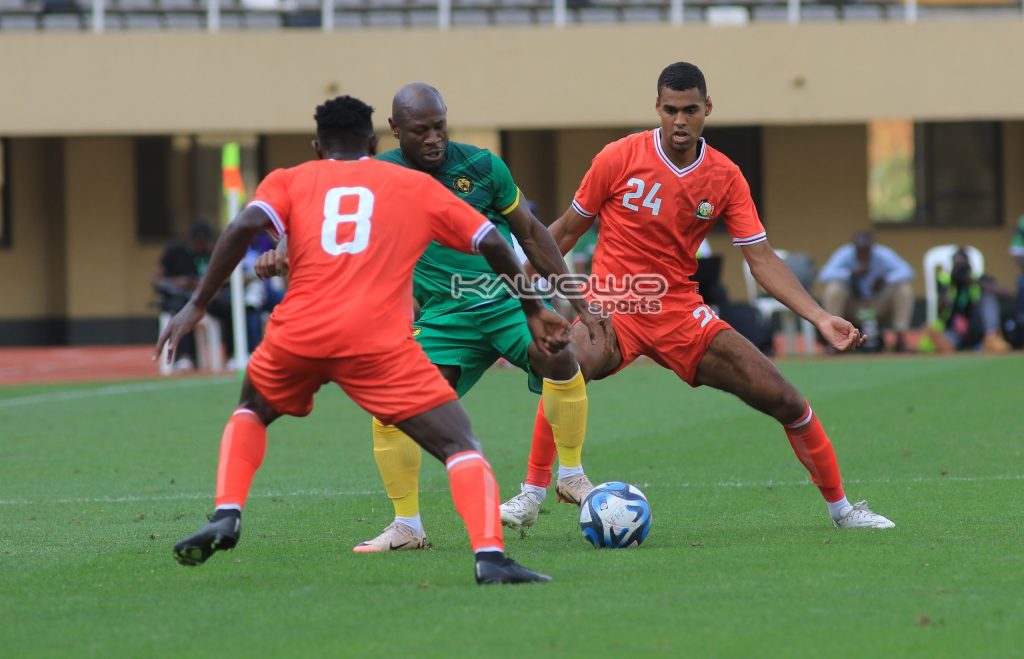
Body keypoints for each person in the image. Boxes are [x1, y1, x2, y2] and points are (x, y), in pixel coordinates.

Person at [157, 95, 569, 585]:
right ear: (374, 143)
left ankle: (227, 511)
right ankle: (490, 558)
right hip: (377, 340)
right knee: (461, 445)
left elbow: (244, 225)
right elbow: (494, 241)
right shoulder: (410, 183)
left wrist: (199, 303)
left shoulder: (289, 179)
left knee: (251, 409)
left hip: (300, 332)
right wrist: (533, 307)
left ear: (316, 146)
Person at [519, 61, 895, 530]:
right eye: (671, 110)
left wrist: (819, 316)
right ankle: (532, 495)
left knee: (784, 398)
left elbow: (761, 259)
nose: (680, 120)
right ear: (657, 107)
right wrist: (514, 280)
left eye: (690, 110)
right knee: (564, 362)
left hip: (680, 313)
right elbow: (565, 232)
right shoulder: (617, 157)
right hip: (613, 305)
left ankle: (843, 511)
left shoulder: (724, 176)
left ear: (707, 109)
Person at [257, 84, 611, 551]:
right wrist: (283, 247)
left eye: (439, 127)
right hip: (445, 317)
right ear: (394, 130)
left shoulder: (483, 166)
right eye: (420, 131)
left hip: (505, 302)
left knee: (561, 358)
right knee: (390, 409)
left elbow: (530, 233)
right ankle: (407, 526)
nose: (433, 139)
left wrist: (578, 300)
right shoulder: (378, 175)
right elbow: (321, 211)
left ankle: (571, 476)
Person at [153, 220, 234, 370]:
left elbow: (226, 279)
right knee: (182, 310)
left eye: (204, 241)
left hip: (207, 298)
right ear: (190, 239)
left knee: (230, 306)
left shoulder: (213, 253)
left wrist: (210, 287)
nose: (201, 245)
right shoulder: (175, 252)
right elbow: (157, 281)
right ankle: (185, 357)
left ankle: (232, 355)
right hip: (179, 298)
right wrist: (180, 282)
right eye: (197, 241)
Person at [818, 231, 914, 353]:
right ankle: (834, 340)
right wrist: (850, 274)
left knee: (904, 288)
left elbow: (907, 271)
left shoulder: (882, 255)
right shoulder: (845, 254)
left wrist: (886, 279)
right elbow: (824, 275)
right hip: (853, 306)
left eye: (866, 249)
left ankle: (900, 337)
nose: (863, 253)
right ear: (854, 247)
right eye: (860, 250)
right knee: (833, 288)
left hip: (877, 303)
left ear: (872, 247)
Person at [925, 248, 1012, 353]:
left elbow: (1007, 293)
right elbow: (940, 308)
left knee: (988, 299)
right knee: (944, 340)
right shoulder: (946, 282)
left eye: (963, 266)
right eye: (957, 266)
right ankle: (946, 344)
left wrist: (973, 282)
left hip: (977, 327)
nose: (961, 271)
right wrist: (951, 286)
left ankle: (992, 337)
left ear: (969, 265)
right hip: (954, 328)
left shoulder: (978, 279)